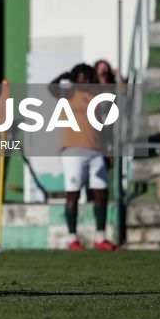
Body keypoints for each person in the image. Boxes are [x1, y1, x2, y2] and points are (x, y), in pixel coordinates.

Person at [50, 63, 115, 251]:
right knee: (73, 194)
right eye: (81, 78)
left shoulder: (96, 95)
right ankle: (72, 239)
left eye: (87, 77)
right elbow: (51, 88)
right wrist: (62, 75)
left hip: (96, 151)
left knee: (101, 193)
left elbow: (104, 126)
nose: (85, 81)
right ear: (74, 79)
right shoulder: (67, 94)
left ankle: (101, 237)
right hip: (73, 151)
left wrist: (108, 150)